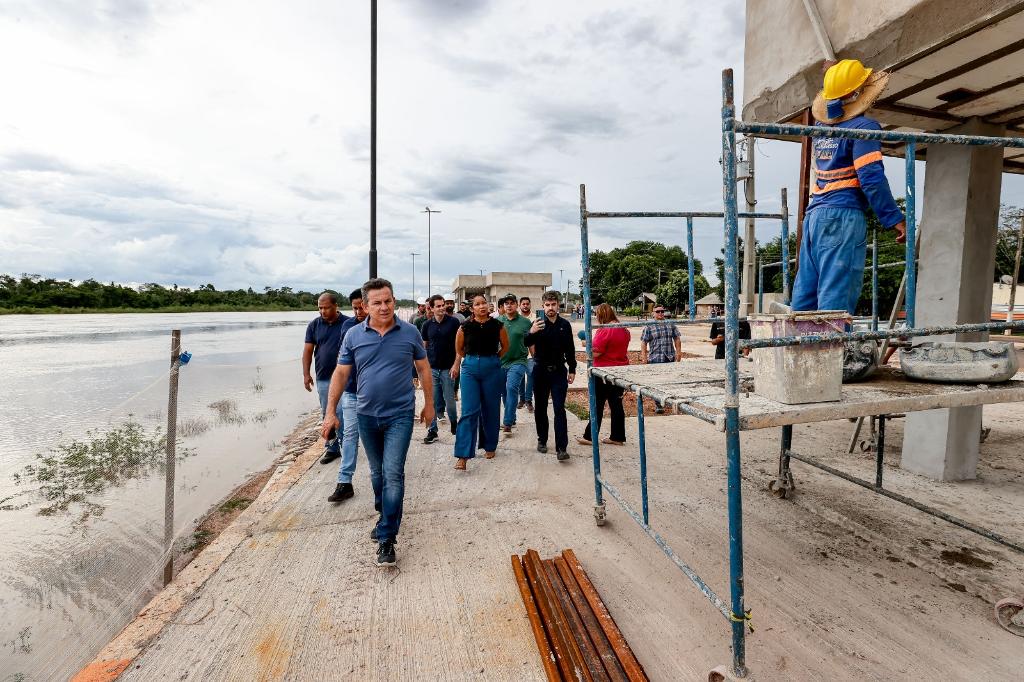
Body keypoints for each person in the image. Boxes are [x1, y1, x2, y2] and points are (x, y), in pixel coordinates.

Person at [322, 278, 433, 567]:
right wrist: (330, 411)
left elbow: (423, 369)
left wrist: (430, 405)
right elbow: (341, 374)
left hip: (400, 415)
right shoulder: (353, 336)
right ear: (365, 306)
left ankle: (387, 537)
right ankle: (385, 512)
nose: (384, 307)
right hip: (366, 415)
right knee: (376, 473)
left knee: (393, 472)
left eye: (388, 301)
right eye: (377, 302)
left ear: (394, 300)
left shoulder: (409, 332)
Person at [793, 58, 907, 314]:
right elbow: (871, 178)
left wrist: (831, 75)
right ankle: (830, 353)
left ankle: (800, 349)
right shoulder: (864, 128)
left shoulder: (821, 128)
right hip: (842, 217)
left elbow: (833, 105)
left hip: (814, 218)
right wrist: (895, 219)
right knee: (836, 297)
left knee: (806, 298)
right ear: (860, 95)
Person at [451, 295, 509, 470]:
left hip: (492, 367)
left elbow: (505, 347)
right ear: (472, 308)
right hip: (469, 369)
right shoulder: (464, 327)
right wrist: (467, 362)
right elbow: (459, 349)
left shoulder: (498, 326)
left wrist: (492, 360)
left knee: (490, 408)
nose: (482, 306)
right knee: (469, 410)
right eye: (477, 304)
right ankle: (463, 455)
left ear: (489, 306)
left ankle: (490, 445)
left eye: (484, 303)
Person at [326, 289, 368, 503]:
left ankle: (385, 479)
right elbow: (342, 362)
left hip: (374, 394)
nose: (359, 311)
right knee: (350, 435)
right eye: (355, 307)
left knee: (376, 438)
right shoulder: (348, 327)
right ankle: (345, 482)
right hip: (351, 392)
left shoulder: (381, 327)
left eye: (362, 306)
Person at [524, 291, 576, 461]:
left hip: (559, 371)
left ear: (558, 305)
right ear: (543, 306)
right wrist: (531, 331)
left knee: (559, 409)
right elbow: (526, 342)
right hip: (540, 371)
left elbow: (570, 349)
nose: (551, 308)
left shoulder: (565, 325)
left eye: (553, 304)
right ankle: (542, 440)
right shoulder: (537, 323)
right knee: (540, 408)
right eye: (547, 305)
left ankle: (562, 447)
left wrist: (572, 369)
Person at [303, 291, 349, 465]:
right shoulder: (314, 325)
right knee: (327, 413)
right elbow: (308, 351)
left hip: (345, 378)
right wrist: (306, 374)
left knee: (342, 413)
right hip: (323, 377)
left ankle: (347, 446)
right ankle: (332, 448)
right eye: (320, 308)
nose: (322, 311)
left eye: (326, 307)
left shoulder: (348, 324)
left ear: (336, 306)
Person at [578, 304, 629, 446]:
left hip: (603, 372)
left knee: (597, 405)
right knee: (616, 405)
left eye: (597, 314)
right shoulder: (624, 329)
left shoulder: (605, 330)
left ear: (601, 315)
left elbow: (596, 352)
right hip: (620, 370)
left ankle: (590, 436)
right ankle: (618, 437)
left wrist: (585, 344)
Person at [421, 294, 460, 444]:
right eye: (438, 306)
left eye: (443, 304)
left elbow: (459, 346)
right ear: (431, 308)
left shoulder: (454, 322)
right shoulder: (426, 325)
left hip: (448, 369)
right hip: (432, 369)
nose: (442, 307)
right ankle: (433, 430)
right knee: (432, 401)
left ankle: (455, 424)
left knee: (450, 401)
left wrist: (456, 364)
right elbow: (423, 348)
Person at [498, 293, 532, 435]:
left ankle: (507, 423)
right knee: (504, 393)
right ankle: (512, 418)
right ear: (503, 306)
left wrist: (535, 358)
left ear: (517, 305)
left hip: (519, 361)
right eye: (507, 303)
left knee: (511, 387)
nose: (509, 305)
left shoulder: (525, 322)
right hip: (501, 362)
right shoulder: (498, 322)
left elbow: (531, 342)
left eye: (512, 303)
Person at [640, 305, 680, 413]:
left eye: (662, 311)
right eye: (658, 311)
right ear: (653, 313)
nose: (661, 313)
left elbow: (677, 338)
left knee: (670, 381)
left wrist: (678, 352)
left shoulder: (670, 324)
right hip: (655, 358)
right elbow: (644, 342)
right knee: (657, 382)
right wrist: (644, 356)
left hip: (669, 357)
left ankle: (670, 402)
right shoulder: (649, 326)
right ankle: (659, 405)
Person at [517, 296, 536, 412]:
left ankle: (529, 400)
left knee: (531, 375)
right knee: (520, 377)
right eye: (523, 304)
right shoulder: (516, 318)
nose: (525, 306)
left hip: (531, 353)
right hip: (519, 353)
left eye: (527, 304)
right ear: (520, 305)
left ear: (530, 305)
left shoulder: (535, 318)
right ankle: (522, 399)